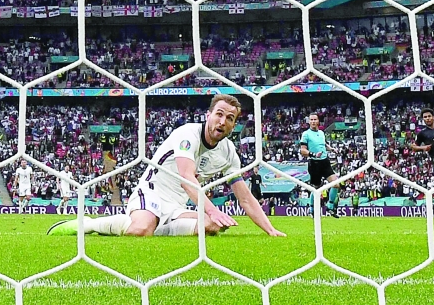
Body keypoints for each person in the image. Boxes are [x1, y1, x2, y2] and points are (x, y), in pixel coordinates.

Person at [47, 95, 285, 238]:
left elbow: (245, 198)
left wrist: (270, 230)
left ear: (234, 125)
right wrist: (212, 208)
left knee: (213, 226)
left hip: (176, 206)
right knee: (140, 231)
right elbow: (186, 177)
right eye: (219, 114)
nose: (222, 121)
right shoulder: (187, 134)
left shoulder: (228, 153)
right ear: (208, 115)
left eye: (230, 118)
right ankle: (88, 224)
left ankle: (158, 224)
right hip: (151, 193)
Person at [300, 113, 340, 217]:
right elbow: (302, 150)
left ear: (318, 121)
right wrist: (313, 154)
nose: (313, 121)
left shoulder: (321, 133)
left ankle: (330, 207)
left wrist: (331, 149)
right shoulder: (306, 134)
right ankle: (312, 209)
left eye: (315, 119)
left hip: (325, 162)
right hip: (314, 163)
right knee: (316, 188)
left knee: (336, 183)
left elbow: (323, 144)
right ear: (309, 121)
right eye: (311, 120)